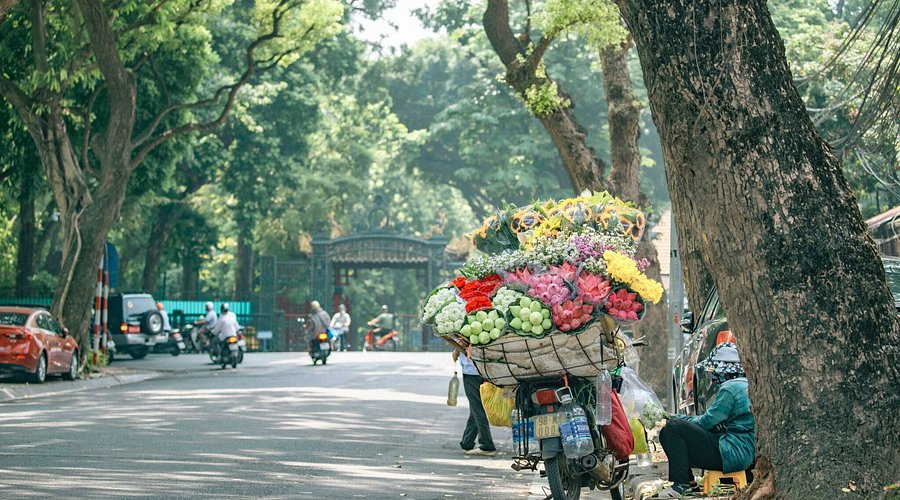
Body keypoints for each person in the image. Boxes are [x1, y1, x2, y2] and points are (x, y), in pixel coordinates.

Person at [655, 342, 755, 498]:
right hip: (744, 453)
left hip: (731, 453)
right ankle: (689, 482)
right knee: (666, 432)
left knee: (673, 427)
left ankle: (681, 486)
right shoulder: (747, 385)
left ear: (722, 371)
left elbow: (706, 422)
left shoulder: (730, 389)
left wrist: (677, 417)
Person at [453, 344, 496, 456]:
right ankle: (467, 442)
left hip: (472, 371)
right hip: (488, 369)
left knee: (477, 407)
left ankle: (487, 445)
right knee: (475, 406)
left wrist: (456, 351)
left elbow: (459, 346)